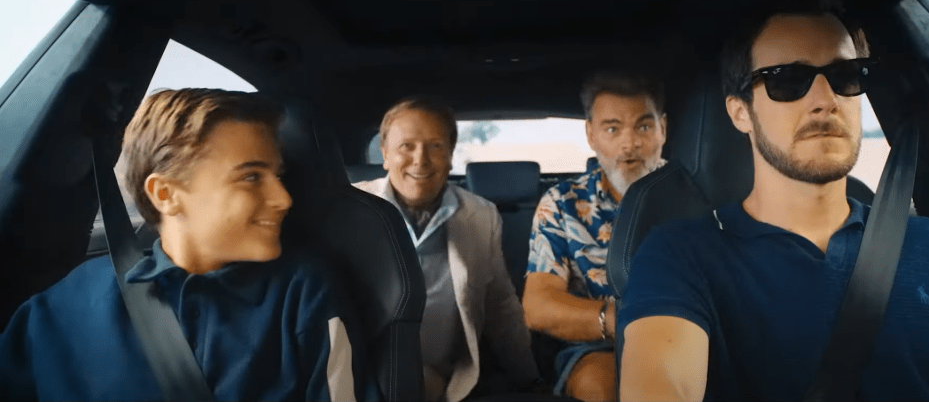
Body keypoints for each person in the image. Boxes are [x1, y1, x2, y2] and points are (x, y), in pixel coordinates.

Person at [618, 0, 929, 401]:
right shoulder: (681, 257)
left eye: (846, 76)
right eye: (788, 80)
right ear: (740, 113)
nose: (826, 101)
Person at [0, 89, 356, 401]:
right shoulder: (64, 306)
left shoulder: (301, 291)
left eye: (277, 176)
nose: (283, 198)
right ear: (165, 194)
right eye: (250, 177)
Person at [353, 96, 539, 401]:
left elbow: (499, 306)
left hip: (439, 378)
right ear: (385, 154)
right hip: (360, 372)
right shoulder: (349, 209)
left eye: (435, 146)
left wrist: (529, 378)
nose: (420, 160)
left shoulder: (481, 215)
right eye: (406, 146)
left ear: (451, 155)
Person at [522, 71, 668, 401]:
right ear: (591, 135)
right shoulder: (562, 203)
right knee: (599, 384)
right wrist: (620, 320)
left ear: (663, 129)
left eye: (644, 127)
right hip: (599, 344)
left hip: (688, 333)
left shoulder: (696, 197)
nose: (630, 144)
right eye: (612, 129)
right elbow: (538, 305)